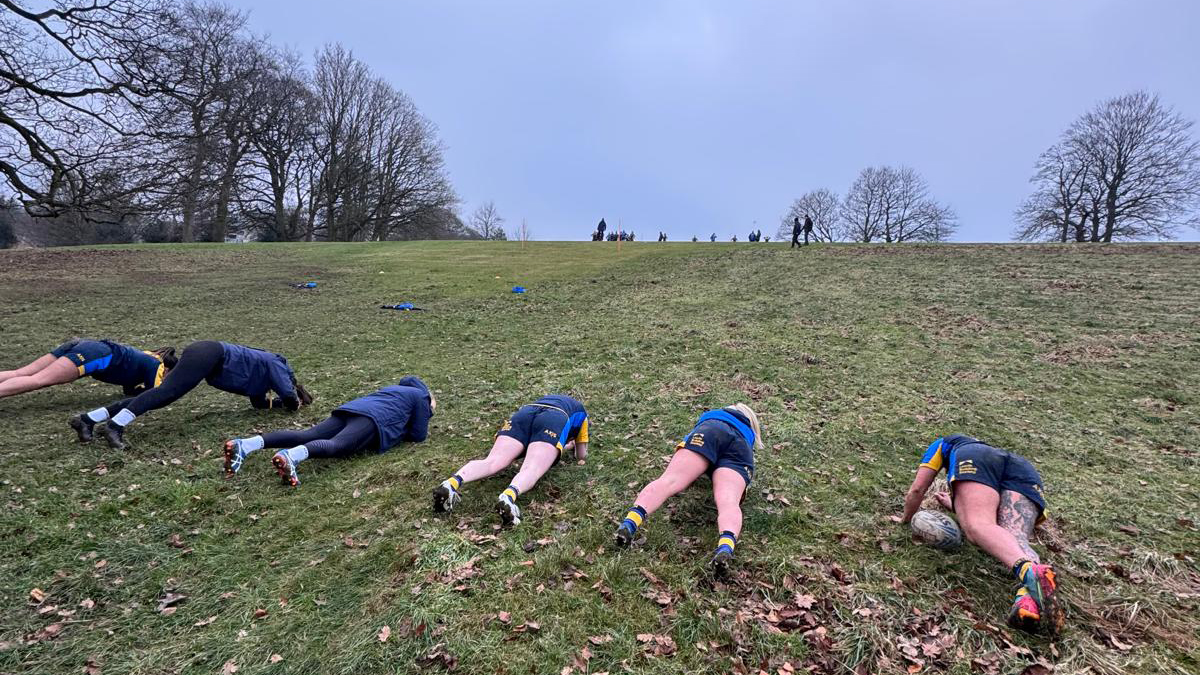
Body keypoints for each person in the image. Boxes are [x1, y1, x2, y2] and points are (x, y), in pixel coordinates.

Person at [900, 434, 1061, 636]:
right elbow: (993, 508)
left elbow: (917, 489)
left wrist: (906, 519)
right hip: (1022, 469)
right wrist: (957, 506)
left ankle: (1029, 573)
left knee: (977, 527)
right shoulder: (991, 449)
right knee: (1015, 539)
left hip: (975, 459)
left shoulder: (945, 443)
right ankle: (1027, 601)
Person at [71, 340, 312, 449]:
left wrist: (277, 404)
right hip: (211, 352)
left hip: (209, 357)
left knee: (163, 394)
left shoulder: (262, 379)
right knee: (166, 393)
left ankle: (88, 419)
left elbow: (259, 404)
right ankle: (115, 426)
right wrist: (294, 402)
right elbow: (289, 397)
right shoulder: (279, 364)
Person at [613, 404, 763, 576]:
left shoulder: (713, 417)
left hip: (710, 431)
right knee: (729, 501)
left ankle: (630, 523)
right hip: (740, 448)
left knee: (670, 480)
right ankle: (726, 547)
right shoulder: (748, 435)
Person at [224, 376, 434, 486]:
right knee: (337, 445)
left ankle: (246, 444)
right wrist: (428, 410)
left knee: (305, 434)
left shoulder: (392, 390)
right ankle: (292, 456)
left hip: (351, 409)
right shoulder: (420, 397)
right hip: (372, 421)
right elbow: (418, 435)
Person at [432, 393, 589, 527]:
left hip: (526, 412)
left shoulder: (546, 399)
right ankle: (508, 497)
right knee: (531, 469)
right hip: (555, 418)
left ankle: (451, 484)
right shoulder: (582, 414)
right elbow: (581, 455)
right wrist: (569, 445)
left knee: (493, 461)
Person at [0, 338, 175, 400]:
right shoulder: (157, 364)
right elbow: (155, 392)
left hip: (87, 345)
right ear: (168, 369)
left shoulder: (144, 357)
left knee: (22, 372)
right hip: (96, 354)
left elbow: (129, 389)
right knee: (38, 380)